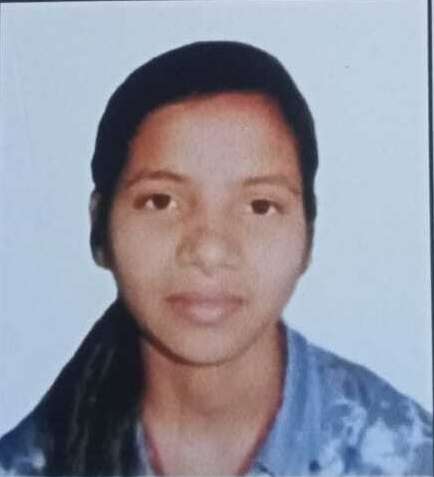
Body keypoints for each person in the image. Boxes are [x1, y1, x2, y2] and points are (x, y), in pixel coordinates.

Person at [0, 41, 432, 476]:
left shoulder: (406, 458)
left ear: (308, 235)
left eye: (260, 206)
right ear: (100, 226)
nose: (209, 250)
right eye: (161, 201)